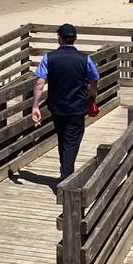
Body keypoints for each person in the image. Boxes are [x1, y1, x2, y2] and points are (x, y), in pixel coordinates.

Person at [31, 23, 99, 183]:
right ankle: (67, 179)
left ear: (59, 39)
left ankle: (65, 172)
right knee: (71, 141)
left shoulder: (49, 58)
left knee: (63, 139)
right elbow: (94, 78)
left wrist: (35, 106)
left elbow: (39, 83)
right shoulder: (85, 59)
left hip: (57, 107)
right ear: (74, 39)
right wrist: (92, 95)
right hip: (77, 107)